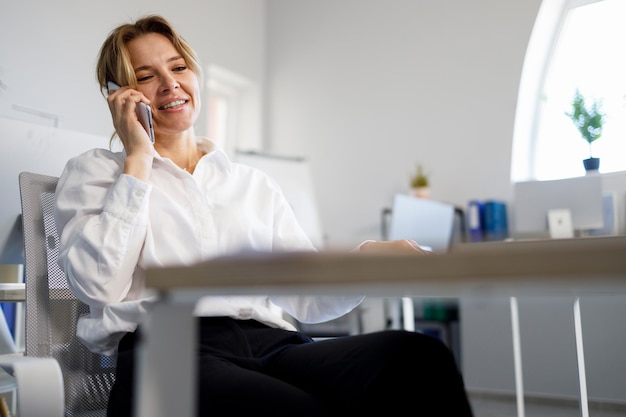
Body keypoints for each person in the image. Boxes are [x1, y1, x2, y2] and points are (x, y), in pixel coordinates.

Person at [54, 14, 474, 417]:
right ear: (120, 95)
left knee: (418, 359)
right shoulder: (98, 172)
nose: (170, 84)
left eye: (178, 67)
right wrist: (138, 159)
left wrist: (369, 260)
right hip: (166, 349)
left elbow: (304, 296)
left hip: (273, 344)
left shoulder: (251, 184)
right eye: (146, 76)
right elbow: (99, 287)